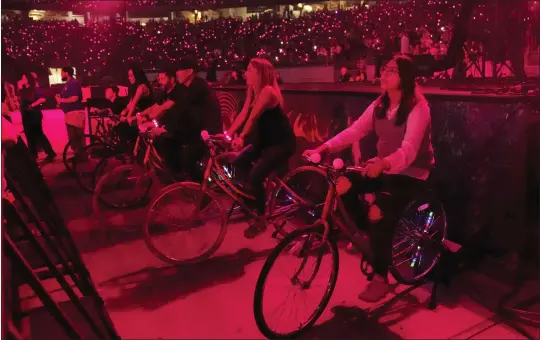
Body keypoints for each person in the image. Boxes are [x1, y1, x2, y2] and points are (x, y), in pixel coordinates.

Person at [303, 54, 434, 302]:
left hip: (410, 173)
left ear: (405, 78)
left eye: (392, 71)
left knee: (379, 216)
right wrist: (324, 149)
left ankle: (380, 279)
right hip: (382, 167)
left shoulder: (419, 107)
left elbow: (409, 150)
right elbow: (355, 131)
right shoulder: (380, 104)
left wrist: (384, 162)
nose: (384, 74)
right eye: (384, 69)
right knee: (343, 184)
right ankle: (367, 236)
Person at [226, 58, 296, 239]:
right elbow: (243, 114)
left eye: (249, 70)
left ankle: (261, 216)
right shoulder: (253, 91)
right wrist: (228, 133)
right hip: (264, 142)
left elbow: (253, 117)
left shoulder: (267, 92)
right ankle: (256, 196)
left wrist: (241, 137)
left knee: (255, 176)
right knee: (238, 162)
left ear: (260, 73)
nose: (245, 73)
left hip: (280, 143)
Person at [19, 73, 56, 162]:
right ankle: (33, 156)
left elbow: (42, 99)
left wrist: (32, 105)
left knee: (38, 135)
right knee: (29, 136)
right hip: (26, 115)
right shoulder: (24, 90)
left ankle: (49, 153)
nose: (22, 79)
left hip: (34, 115)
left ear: (29, 79)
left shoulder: (35, 89)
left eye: (24, 78)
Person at [55, 66, 85, 160]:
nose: (61, 75)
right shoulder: (68, 84)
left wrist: (61, 100)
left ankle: (81, 156)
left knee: (77, 136)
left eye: (62, 73)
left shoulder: (73, 83)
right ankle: (78, 155)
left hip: (75, 113)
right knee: (73, 136)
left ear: (67, 73)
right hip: (70, 113)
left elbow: (75, 98)